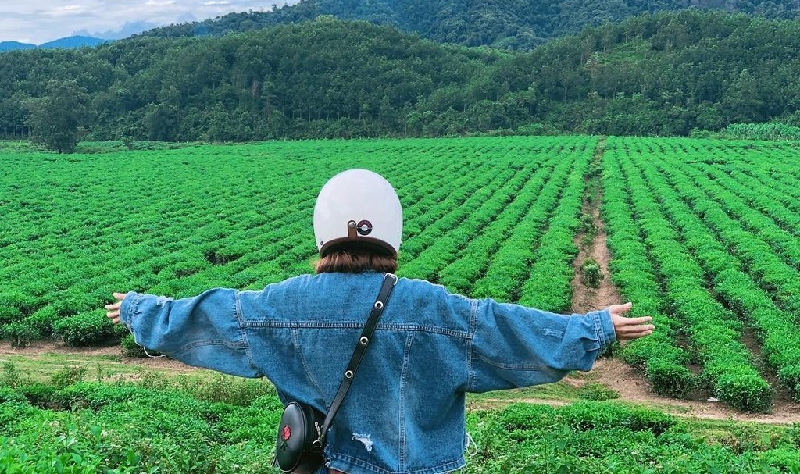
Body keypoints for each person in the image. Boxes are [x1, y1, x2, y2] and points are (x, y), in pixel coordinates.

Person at [105, 168, 654, 474]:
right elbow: (508, 330)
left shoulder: (283, 305)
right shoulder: (434, 307)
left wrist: (138, 310)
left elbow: (206, 316)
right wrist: (595, 328)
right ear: (391, 234)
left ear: (323, 232)